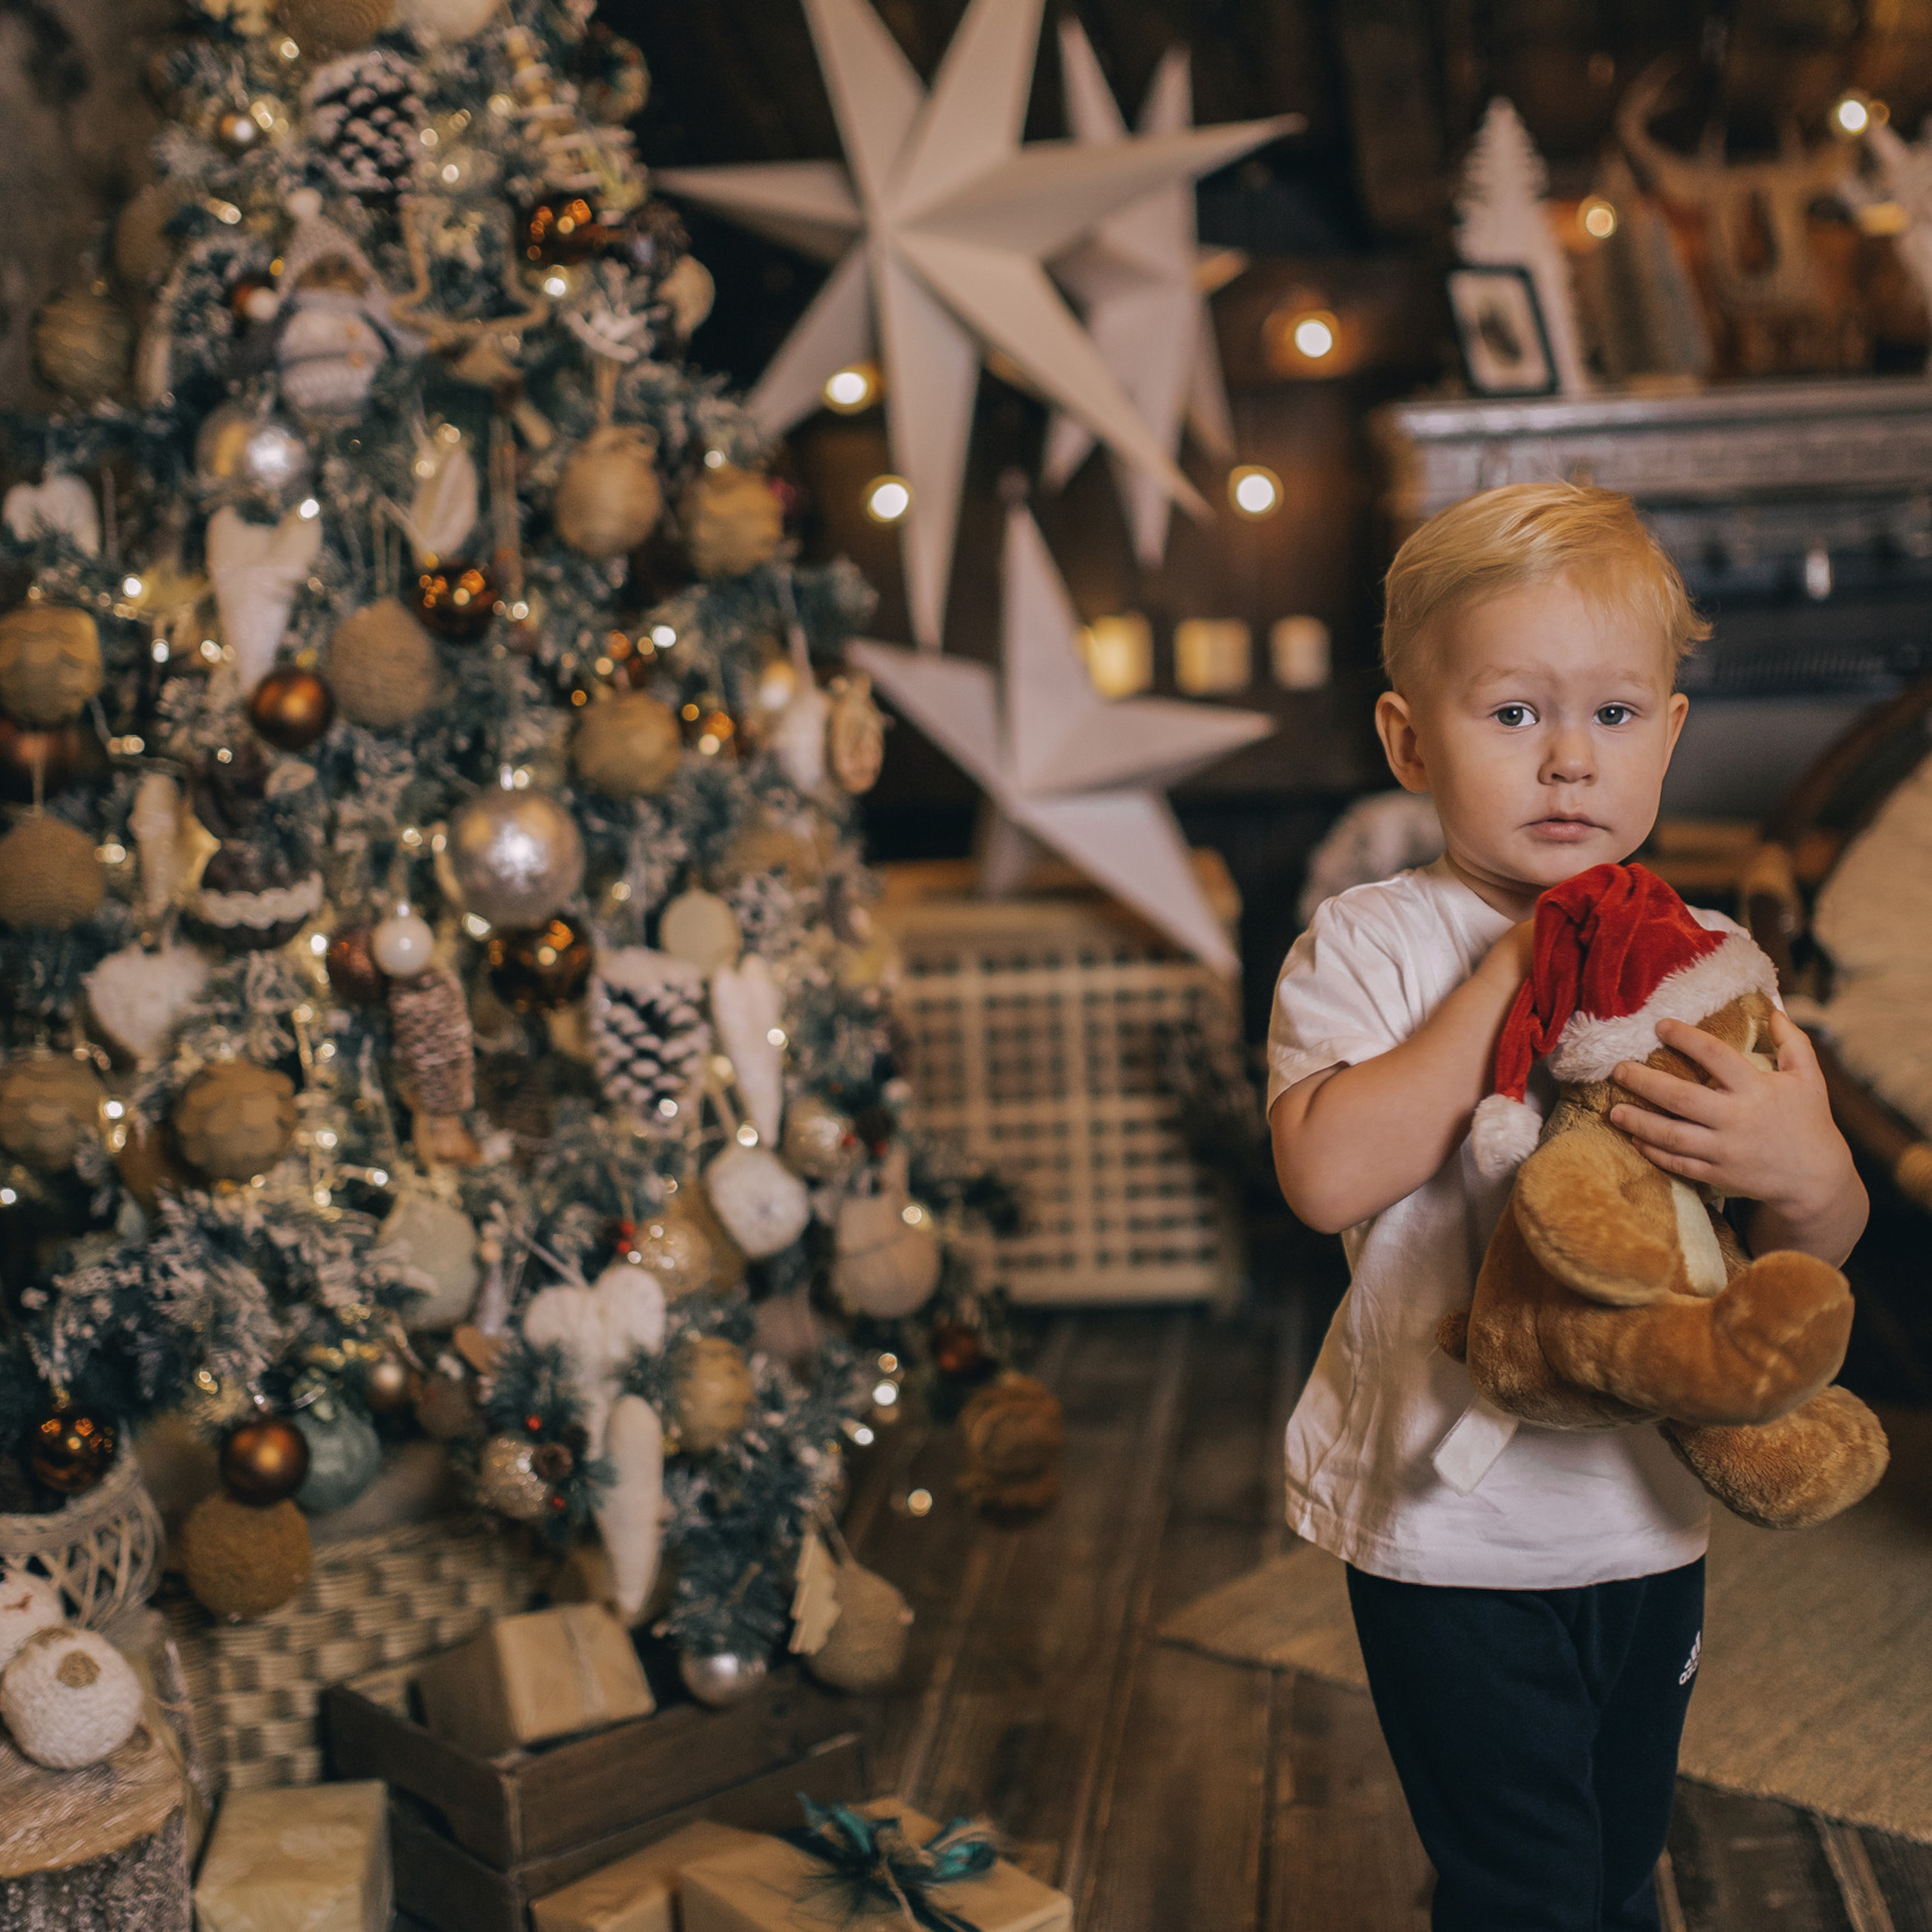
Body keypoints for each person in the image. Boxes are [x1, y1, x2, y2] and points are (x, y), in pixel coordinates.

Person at [1266, 481, 1868, 1932]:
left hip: (1647, 1512)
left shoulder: (1710, 960)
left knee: (1611, 1856)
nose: (1566, 767)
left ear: (1667, 733)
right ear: (1412, 739)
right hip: (1448, 1522)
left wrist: (1806, 1166)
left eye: (1609, 717)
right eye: (1514, 715)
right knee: (1520, 1881)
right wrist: (1511, 977)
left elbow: (1798, 1258)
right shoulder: (1376, 944)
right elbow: (1326, 1175)